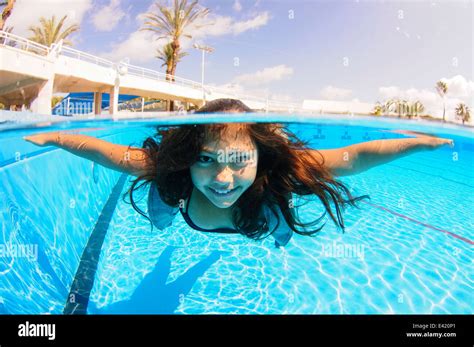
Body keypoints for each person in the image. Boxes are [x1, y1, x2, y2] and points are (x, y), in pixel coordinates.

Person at [24, 98, 454, 247]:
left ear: (259, 157)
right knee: (161, 204)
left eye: (238, 161)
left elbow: (354, 157)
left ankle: (280, 233)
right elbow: (107, 152)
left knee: (279, 224)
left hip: (260, 214)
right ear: (190, 156)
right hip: (181, 202)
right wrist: (57, 138)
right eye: (207, 159)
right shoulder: (173, 172)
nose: (223, 181)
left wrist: (417, 140)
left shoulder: (275, 173)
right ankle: (165, 213)